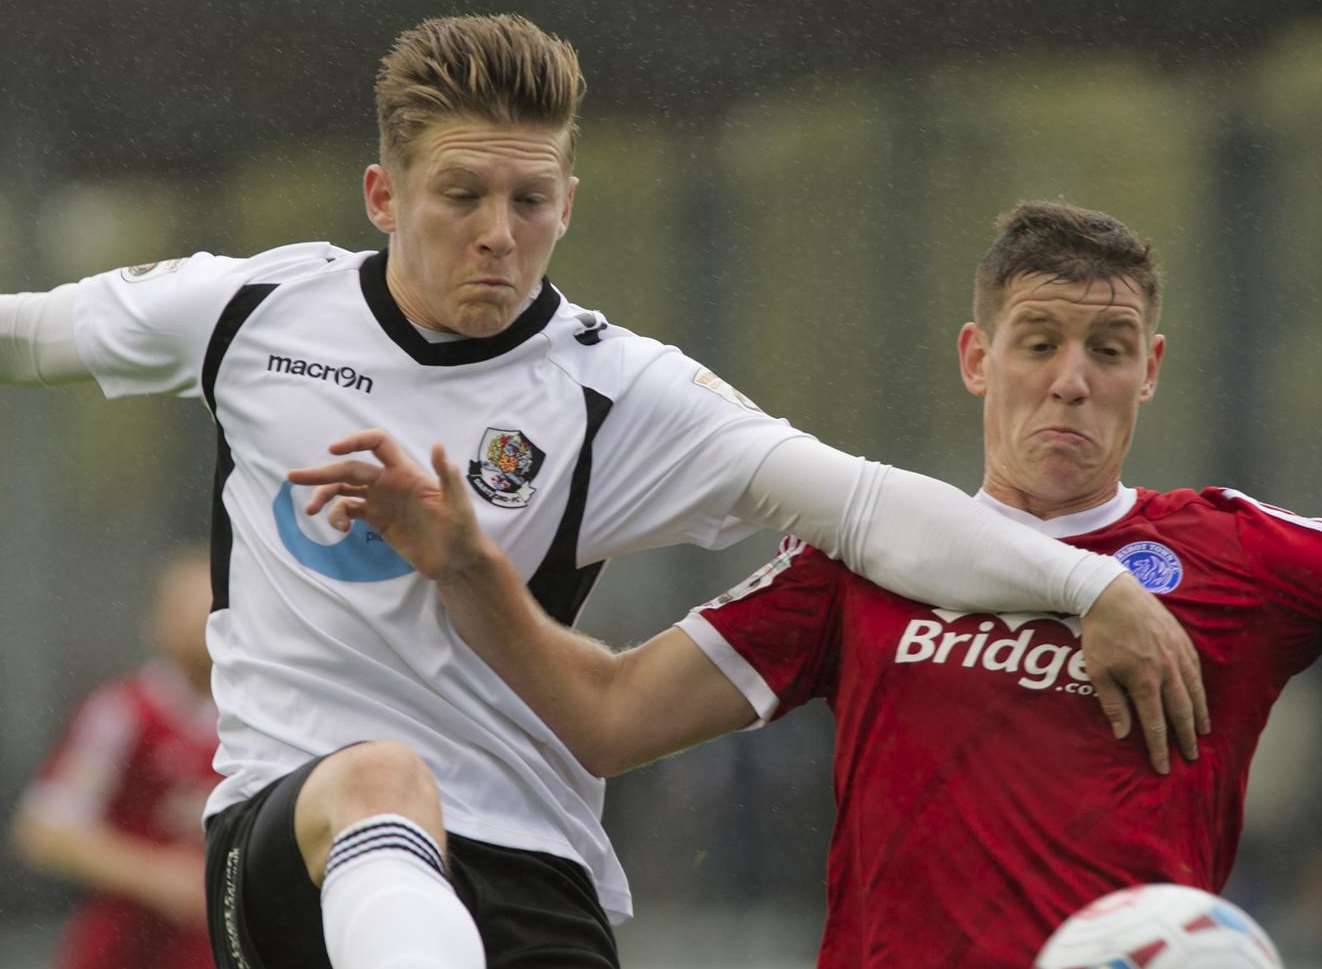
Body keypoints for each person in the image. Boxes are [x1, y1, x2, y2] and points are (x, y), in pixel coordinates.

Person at [0, 14, 1204, 968]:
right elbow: (30, 333)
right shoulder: (254, 312)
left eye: (530, 203)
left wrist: (1082, 583)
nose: (498, 235)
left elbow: (862, 507)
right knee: (380, 775)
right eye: (460, 196)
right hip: (292, 843)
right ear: (382, 196)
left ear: (567, 202)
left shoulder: (616, 391)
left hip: (528, 864)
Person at [299, 201, 1322, 969]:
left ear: (1147, 369)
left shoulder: (1233, 554)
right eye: (1037, 342)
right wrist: (468, 566)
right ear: (976, 357)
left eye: (1105, 350)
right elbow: (605, 715)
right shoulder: (859, 561)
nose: (1069, 379)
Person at [10, 549, 218, 969]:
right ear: (156, 622)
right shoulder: (123, 713)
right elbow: (43, 830)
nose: (202, 621)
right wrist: (154, 874)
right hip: (124, 950)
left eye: (212, 605)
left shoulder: (261, 722)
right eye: (187, 607)